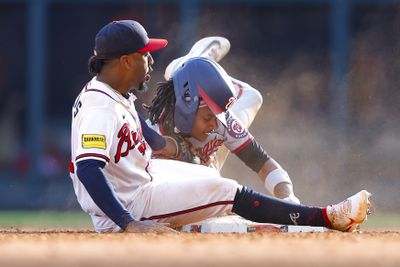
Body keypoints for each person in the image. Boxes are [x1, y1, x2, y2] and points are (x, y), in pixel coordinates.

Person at [69, 19, 371, 234]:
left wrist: (169, 147)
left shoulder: (116, 94)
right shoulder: (99, 107)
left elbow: (143, 136)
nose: (150, 61)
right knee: (225, 189)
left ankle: (194, 214)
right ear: (125, 61)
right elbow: (87, 169)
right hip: (131, 203)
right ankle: (325, 217)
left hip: (141, 180)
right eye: (145, 55)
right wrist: (128, 222)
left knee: (207, 174)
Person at [147, 37, 299, 203]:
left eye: (218, 116)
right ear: (186, 110)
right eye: (208, 117)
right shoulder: (152, 133)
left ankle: (195, 64)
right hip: (195, 175)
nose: (214, 124)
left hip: (204, 167)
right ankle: (191, 64)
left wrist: (288, 198)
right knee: (205, 180)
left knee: (253, 97)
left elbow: (262, 163)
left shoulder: (221, 119)